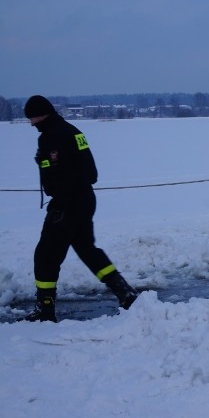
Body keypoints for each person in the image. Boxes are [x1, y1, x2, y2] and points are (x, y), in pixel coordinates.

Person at [22, 95, 137, 322]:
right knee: (86, 249)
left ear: (40, 114)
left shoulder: (50, 137)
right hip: (85, 199)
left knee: (45, 256)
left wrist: (44, 164)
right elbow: (89, 172)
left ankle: (45, 311)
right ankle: (125, 293)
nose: (31, 123)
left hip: (67, 204)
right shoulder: (73, 131)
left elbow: (55, 177)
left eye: (32, 118)